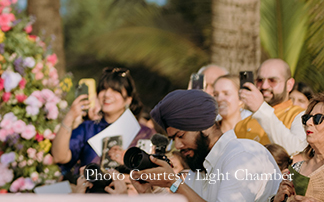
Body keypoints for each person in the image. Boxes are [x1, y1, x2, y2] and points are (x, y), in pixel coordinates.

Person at [130, 88, 282, 202]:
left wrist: (173, 182)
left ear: (203, 126)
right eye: (173, 139)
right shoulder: (197, 170)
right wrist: (151, 192)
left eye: (181, 135)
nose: (178, 145)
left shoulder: (243, 155)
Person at [52, 67, 151, 181]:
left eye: (115, 90)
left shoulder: (143, 132)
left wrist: (127, 162)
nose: (107, 94)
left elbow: (152, 177)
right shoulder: (87, 128)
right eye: (103, 89)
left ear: (128, 99)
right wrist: (70, 117)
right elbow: (60, 157)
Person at [236, 58, 307, 153]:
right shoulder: (242, 124)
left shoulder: (300, 115)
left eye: (272, 80)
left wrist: (260, 109)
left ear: (289, 84)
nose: (264, 86)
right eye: (260, 80)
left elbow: (295, 150)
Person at [283, 93, 324, 201]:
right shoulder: (296, 168)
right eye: (307, 118)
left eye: (318, 118)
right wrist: (277, 199)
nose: (309, 123)